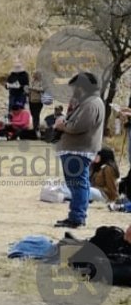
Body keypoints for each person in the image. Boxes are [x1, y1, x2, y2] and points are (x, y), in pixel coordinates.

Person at [52, 71, 106, 228]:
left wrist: (62, 124)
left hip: (79, 150)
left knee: (78, 184)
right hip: (76, 149)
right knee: (75, 184)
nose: (73, 90)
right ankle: (75, 216)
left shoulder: (91, 103)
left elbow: (78, 127)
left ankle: (77, 217)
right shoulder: (89, 102)